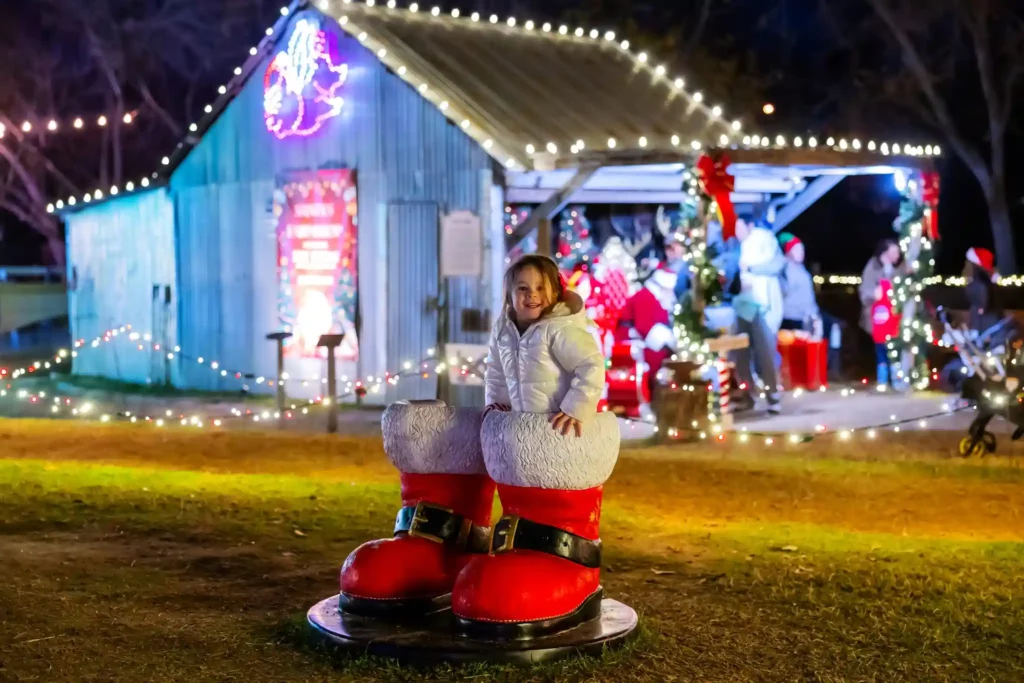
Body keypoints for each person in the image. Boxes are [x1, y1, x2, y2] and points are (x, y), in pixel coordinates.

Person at [484, 255, 606, 437]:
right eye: (523, 288)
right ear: (510, 296)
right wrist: (496, 407)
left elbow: (591, 365)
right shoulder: (503, 330)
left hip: (557, 426)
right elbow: (496, 372)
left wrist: (575, 408)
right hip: (521, 427)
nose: (532, 294)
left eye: (540, 288)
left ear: (556, 293)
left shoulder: (560, 328)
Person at [719, 216, 783, 414]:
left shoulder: (763, 239)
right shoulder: (738, 248)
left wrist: (753, 269)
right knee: (740, 353)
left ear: (749, 225)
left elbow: (777, 264)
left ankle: (773, 397)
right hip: (743, 305)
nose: (736, 232)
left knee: (765, 353)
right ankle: (749, 395)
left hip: (762, 306)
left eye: (739, 227)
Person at [859, 239, 903, 336]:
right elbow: (864, 291)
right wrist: (874, 293)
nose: (897, 255)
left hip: (893, 320)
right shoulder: (872, 266)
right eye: (894, 252)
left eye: (898, 252)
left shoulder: (897, 268)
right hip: (876, 320)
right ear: (885, 253)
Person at [965, 247, 1003, 332]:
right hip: (985, 319)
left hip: (985, 321)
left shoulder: (980, 283)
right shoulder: (985, 282)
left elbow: (983, 297)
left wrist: (982, 308)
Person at [871, 279, 900, 388]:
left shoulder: (892, 306)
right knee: (881, 360)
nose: (875, 292)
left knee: (893, 361)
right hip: (878, 340)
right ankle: (882, 381)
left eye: (878, 290)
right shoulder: (874, 306)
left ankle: (896, 382)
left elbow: (896, 321)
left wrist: (893, 335)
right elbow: (874, 322)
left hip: (890, 340)